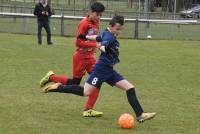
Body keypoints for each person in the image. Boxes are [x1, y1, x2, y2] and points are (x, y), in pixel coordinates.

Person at [41, 15, 156, 123]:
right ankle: (58, 87)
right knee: (86, 92)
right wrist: (106, 49)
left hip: (109, 71)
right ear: (111, 26)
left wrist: (85, 36)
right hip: (101, 70)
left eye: (121, 29)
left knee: (130, 88)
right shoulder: (109, 36)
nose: (119, 32)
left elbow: (98, 37)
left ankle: (140, 115)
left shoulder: (107, 32)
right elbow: (103, 45)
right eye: (117, 29)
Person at [39, 2, 105, 117]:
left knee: (97, 81)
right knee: (75, 83)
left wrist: (97, 47)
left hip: (90, 58)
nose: (99, 17)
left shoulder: (96, 23)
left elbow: (92, 39)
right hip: (80, 57)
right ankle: (52, 78)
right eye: (98, 14)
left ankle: (88, 110)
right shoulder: (84, 24)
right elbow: (78, 42)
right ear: (92, 12)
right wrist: (95, 45)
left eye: (101, 15)